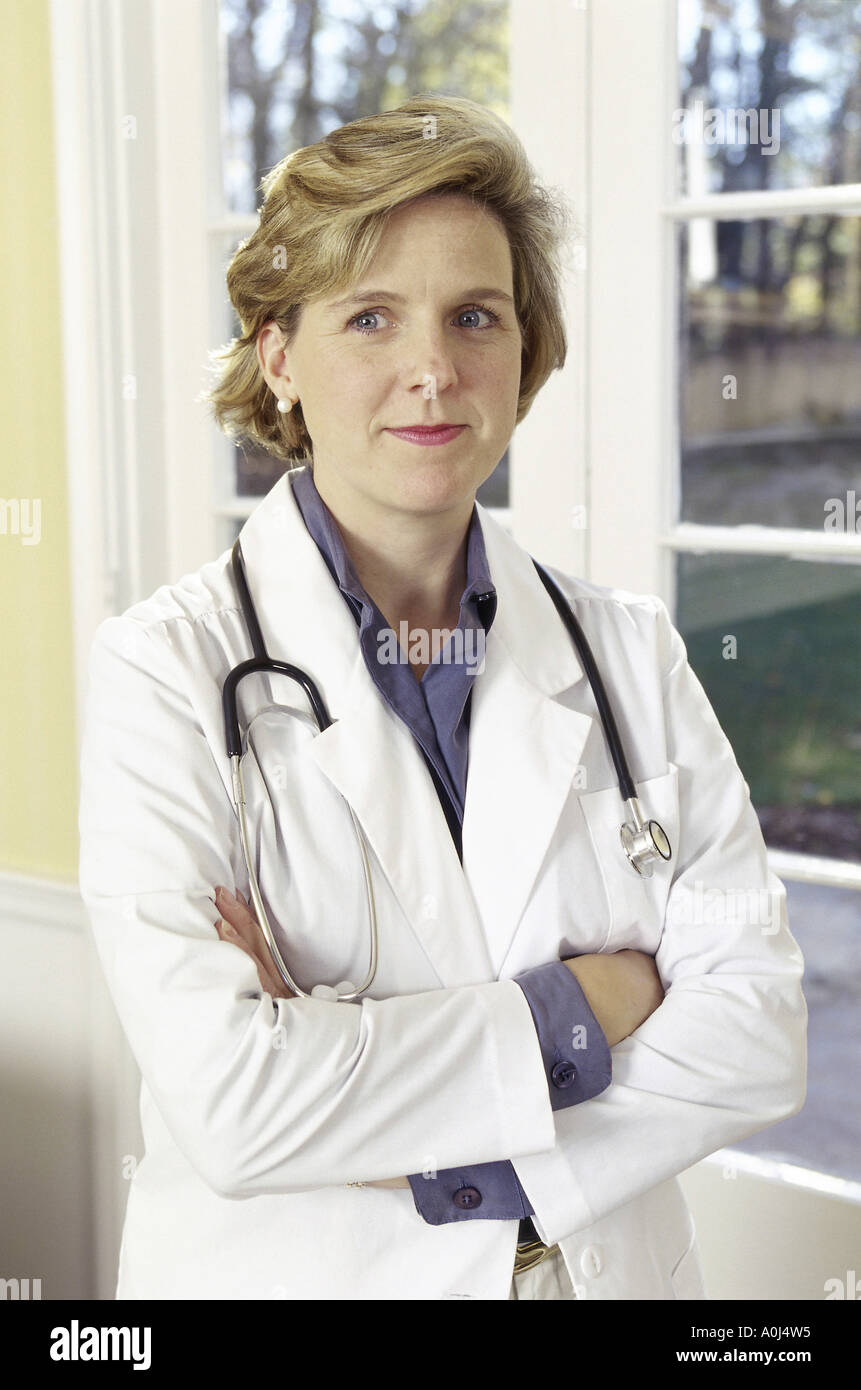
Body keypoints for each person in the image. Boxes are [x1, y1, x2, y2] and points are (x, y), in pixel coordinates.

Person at [78, 94, 807, 1301]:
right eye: (371, 317)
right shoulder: (164, 673)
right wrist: (595, 1000)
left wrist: (407, 1128)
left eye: (476, 316)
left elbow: (759, 1033)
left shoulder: (631, 654)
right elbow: (241, 1109)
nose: (433, 370)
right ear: (279, 354)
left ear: (525, 354)